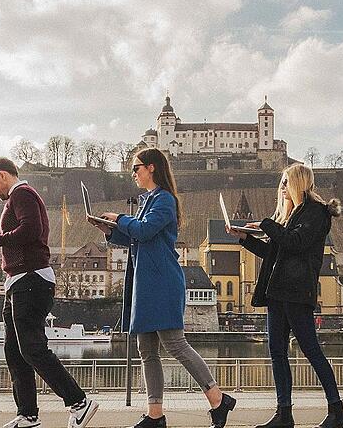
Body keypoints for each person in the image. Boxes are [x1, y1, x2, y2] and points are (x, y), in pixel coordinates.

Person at [90, 148, 235, 428]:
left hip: (162, 283)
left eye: (136, 168)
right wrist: (108, 229)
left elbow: (143, 231)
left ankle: (218, 398)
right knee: (147, 350)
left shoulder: (164, 200)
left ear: (152, 167)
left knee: (176, 345)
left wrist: (119, 218)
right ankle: (155, 415)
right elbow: (137, 237)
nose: (133, 173)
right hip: (147, 284)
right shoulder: (149, 201)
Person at [0, 157, 98, 428]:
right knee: (15, 351)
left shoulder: (22, 194)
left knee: (31, 348)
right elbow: (23, 230)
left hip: (30, 280)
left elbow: (32, 230)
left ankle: (79, 403)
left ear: (3, 175)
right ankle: (28, 415)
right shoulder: (18, 198)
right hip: (19, 282)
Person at [227, 164, 343, 428]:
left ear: (298, 183)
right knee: (276, 352)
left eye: (284, 182)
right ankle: (284, 413)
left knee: (311, 350)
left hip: (296, 290)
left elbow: (294, 242)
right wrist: (245, 238)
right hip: (278, 291)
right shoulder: (289, 215)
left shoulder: (315, 213)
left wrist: (267, 224)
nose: (280, 187)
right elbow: (274, 253)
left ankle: (337, 411)